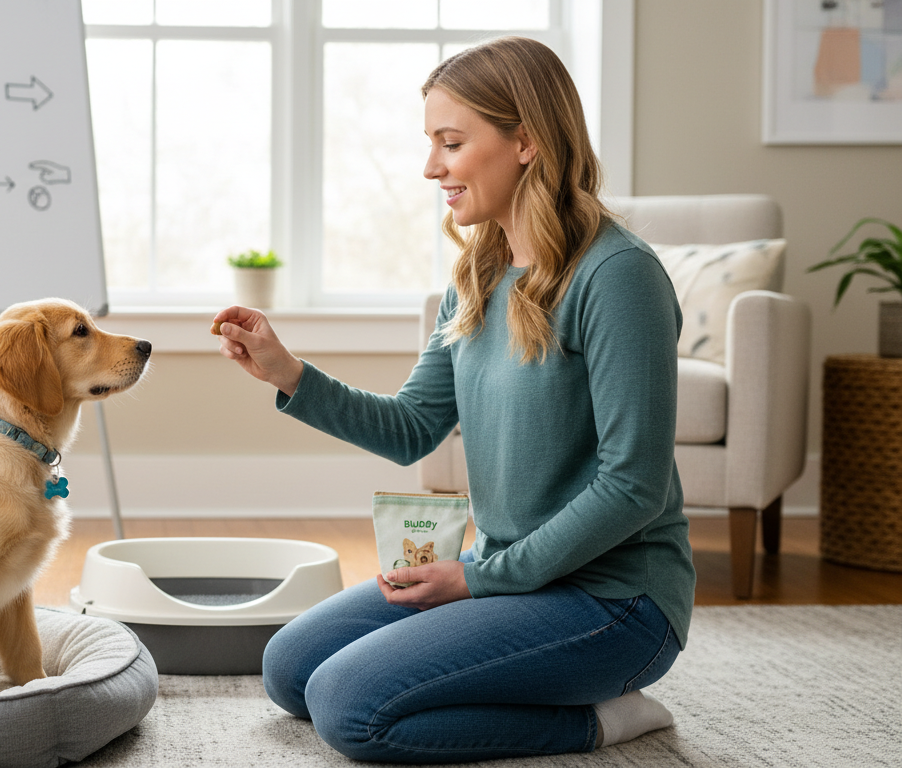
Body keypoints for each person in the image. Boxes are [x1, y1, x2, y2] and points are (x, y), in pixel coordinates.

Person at [213, 36, 696, 763]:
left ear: (526, 140)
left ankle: (606, 720)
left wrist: (475, 579)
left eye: (451, 142)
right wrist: (289, 374)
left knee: (349, 707)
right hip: (512, 577)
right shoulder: (477, 277)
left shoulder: (618, 276)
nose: (431, 167)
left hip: (615, 601)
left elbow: (633, 486)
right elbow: (412, 428)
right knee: (290, 669)